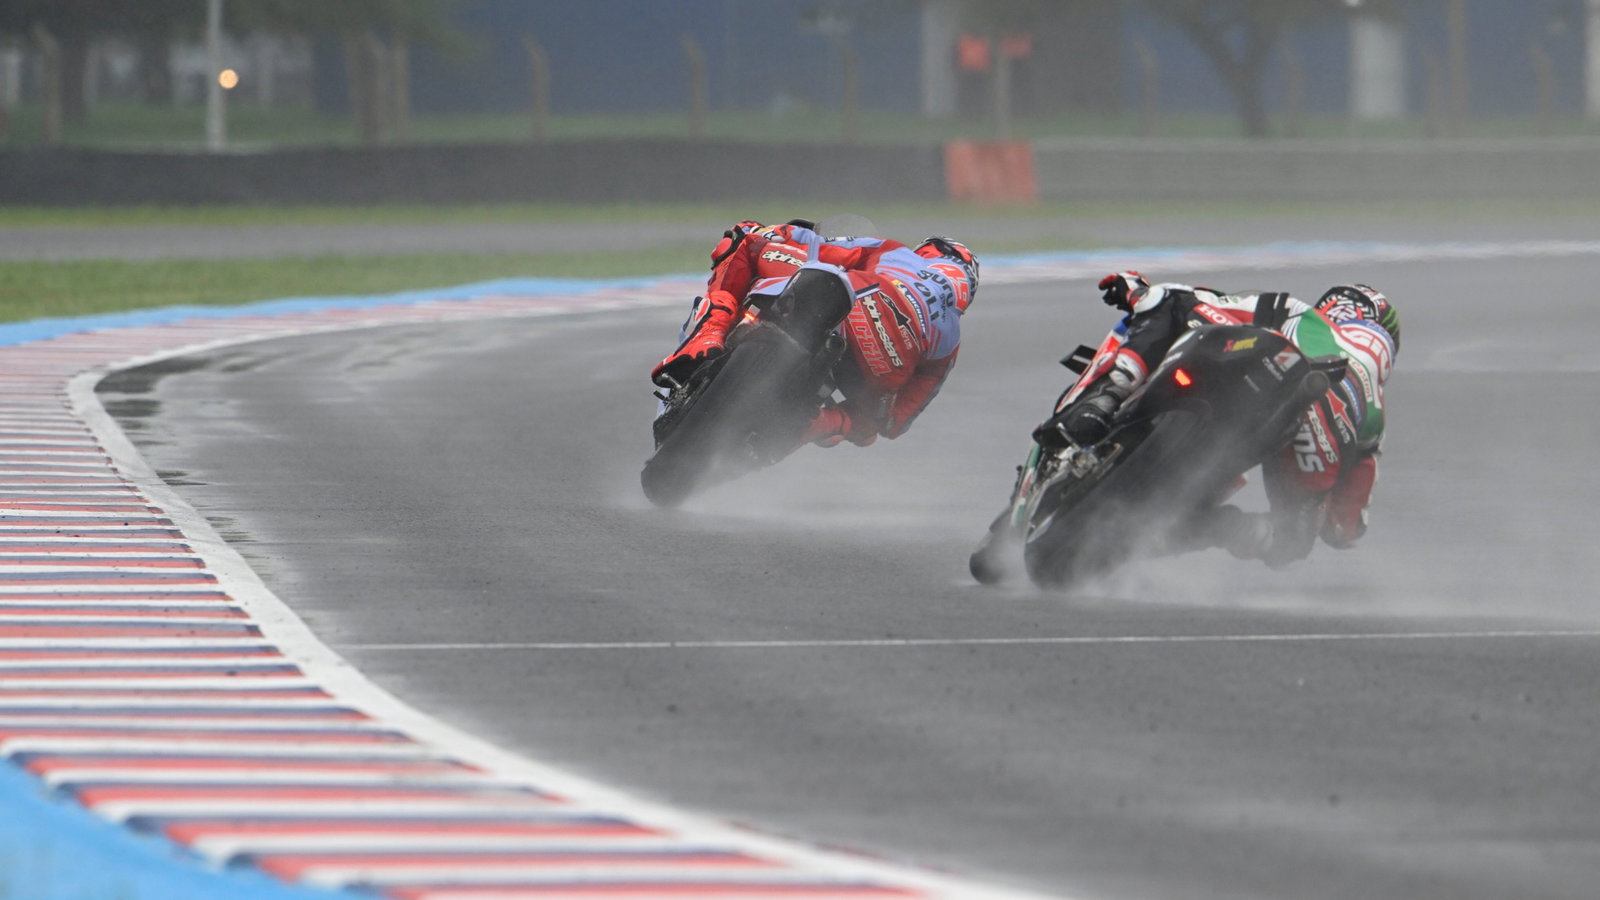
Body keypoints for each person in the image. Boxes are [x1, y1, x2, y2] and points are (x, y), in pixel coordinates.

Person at [1033, 271, 1399, 567]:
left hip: (1268, 374)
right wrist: (1344, 525)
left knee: (1168, 301)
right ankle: (1191, 530)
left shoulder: (1302, 314)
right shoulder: (1373, 406)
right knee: (1290, 542)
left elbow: (1203, 301)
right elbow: (1343, 528)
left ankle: (1105, 398)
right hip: (1311, 429)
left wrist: (1133, 289)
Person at [651, 218, 978, 449]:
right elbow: (896, 423)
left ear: (929, 254)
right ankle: (805, 426)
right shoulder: (951, 342)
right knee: (868, 426)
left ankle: (707, 336)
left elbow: (822, 250)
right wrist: (846, 422)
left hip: (858, 307)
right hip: (882, 372)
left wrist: (783, 232)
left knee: (745, 240)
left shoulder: (898, 255)